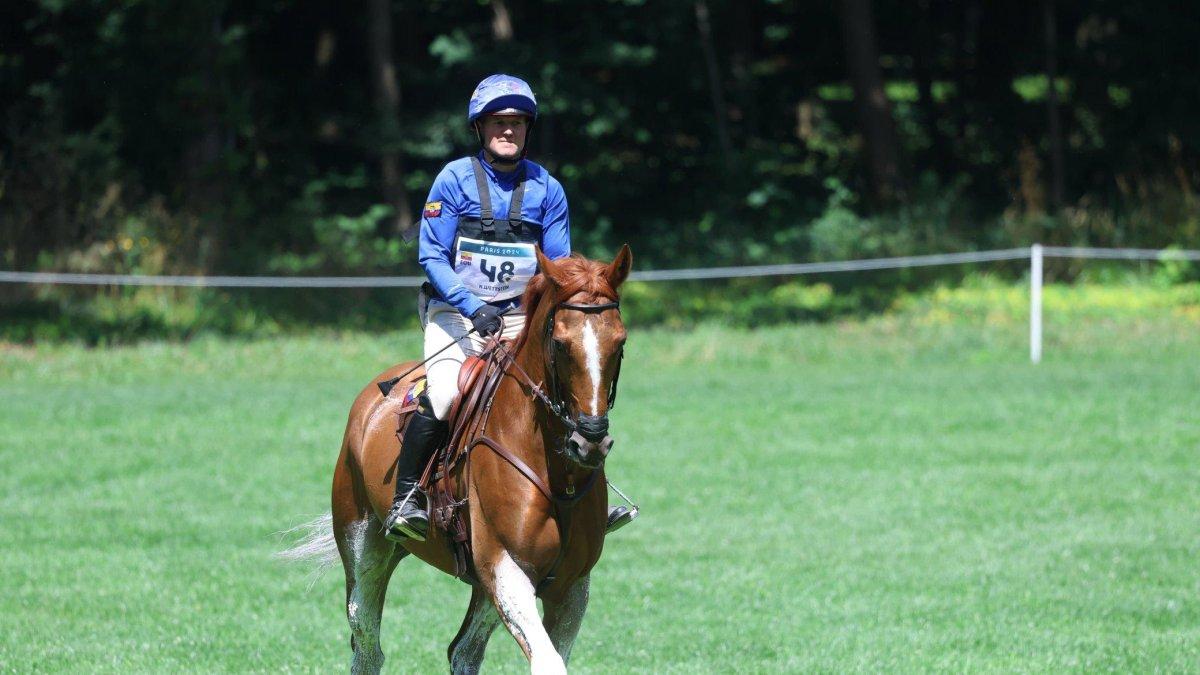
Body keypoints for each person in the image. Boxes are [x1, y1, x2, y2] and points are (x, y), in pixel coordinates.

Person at [384, 74, 635, 542]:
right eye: (498, 122)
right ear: (479, 128)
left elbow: (558, 268)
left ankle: (588, 506)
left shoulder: (548, 189)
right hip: (456, 313)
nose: (508, 131)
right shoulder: (453, 179)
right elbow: (431, 256)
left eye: (517, 122)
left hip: (524, 315)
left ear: (527, 128)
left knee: (570, 389)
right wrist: (471, 304)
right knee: (443, 395)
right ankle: (406, 500)